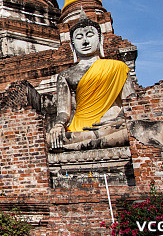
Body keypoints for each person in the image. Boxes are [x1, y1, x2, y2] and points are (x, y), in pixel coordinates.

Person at [47, 15, 133, 151]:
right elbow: (64, 112)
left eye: (90, 35)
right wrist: (58, 126)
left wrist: (117, 120)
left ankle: (88, 143)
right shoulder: (66, 75)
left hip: (112, 126)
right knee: (48, 140)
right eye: (79, 37)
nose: (85, 42)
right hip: (78, 129)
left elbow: (131, 104)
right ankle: (91, 142)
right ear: (72, 44)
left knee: (133, 130)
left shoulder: (118, 67)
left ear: (100, 39)